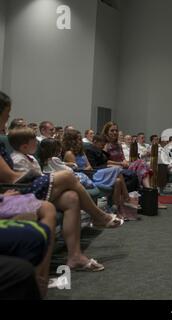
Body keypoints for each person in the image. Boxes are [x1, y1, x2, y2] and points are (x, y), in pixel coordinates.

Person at [0, 92, 123, 272]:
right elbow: (10, 178)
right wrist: (35, 175)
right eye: (7, 114)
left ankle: (75, 257)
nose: (7, 118)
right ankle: (99, 217)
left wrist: (35, 174)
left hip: (20, 186)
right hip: (14, 189)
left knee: (72, 197)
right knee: (66, 177)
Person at [62, 130, 138, 219]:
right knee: (117, 169)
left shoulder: (81, 152)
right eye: (78, 139)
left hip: (90, 173)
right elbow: (77, 171)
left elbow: (89, 166)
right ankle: (127, 198)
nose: (80, 141)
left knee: (118, 180)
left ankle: (115, 209)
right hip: (85, 177)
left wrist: (86, 168)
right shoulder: (69, 154)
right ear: (72, 141)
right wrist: (86, 168)